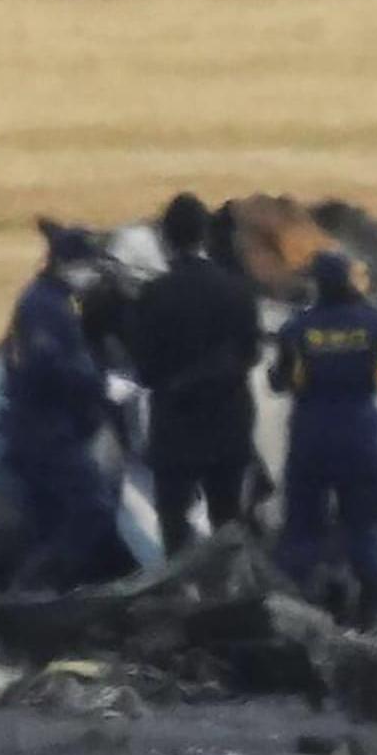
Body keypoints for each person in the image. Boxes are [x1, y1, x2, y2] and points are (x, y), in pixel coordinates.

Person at [0, 219, 127, 590]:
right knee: (92, 511)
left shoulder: (55, 301)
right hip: (45, 432)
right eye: (87, 266)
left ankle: (38, 591)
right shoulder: (44, 307)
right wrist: (100, 385)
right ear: (67, 264)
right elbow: (48, 366)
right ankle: (32, 588)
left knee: (48, 520)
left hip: (42, 428)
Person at [123, 195, 266, 548]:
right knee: (228, 519)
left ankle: (180, 594)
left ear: (167, 239)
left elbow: (143, 368)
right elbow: (251, 353)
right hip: (228, 420)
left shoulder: (155, 294)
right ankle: (229, 596)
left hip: (177, 424)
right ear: (204, 236)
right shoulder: (238, 290)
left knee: (173, 522)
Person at [271, 251, 377, 620]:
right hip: (361, 432)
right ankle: (374, 604)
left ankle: (298, 609)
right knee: (363, 525)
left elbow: (279, 380)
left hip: (311, 434)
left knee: (302, 528)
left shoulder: (297, 329)